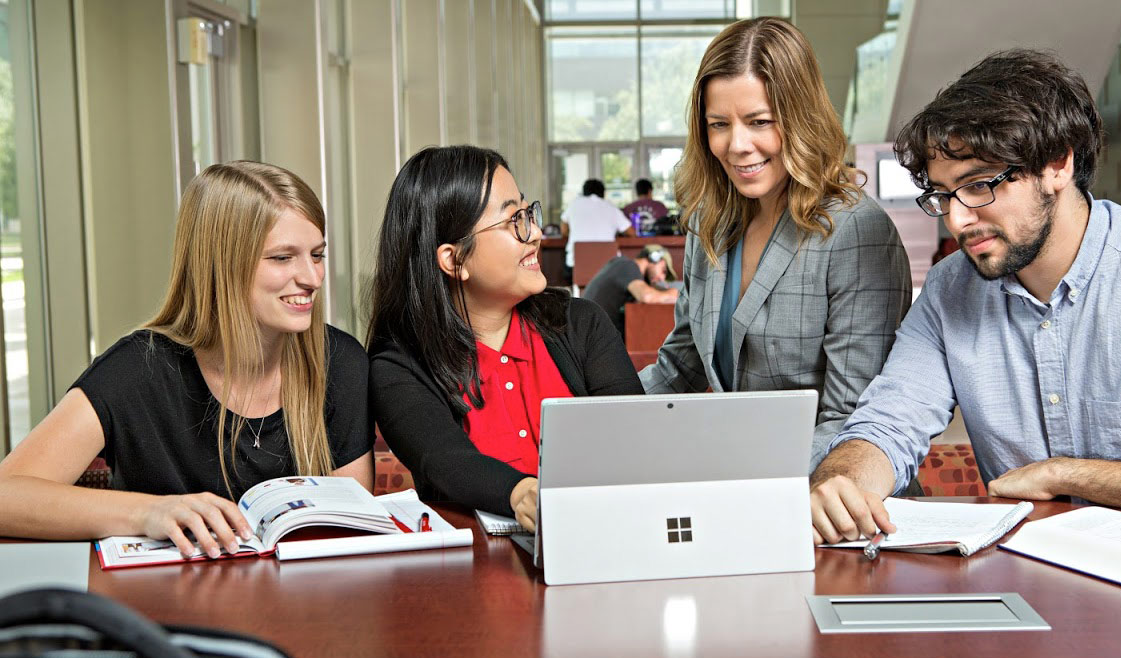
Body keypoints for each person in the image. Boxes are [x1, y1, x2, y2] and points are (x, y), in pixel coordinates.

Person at [811, 49, 1121, 544]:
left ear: (1058, 164)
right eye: (944, 195)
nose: (957, 219)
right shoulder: (951, 289)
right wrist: (842, 479)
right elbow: (888, 425)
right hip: (1031, 583)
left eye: (978, 186)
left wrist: (1065, 475)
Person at [0, 161, 374, 558]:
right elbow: (8, 494)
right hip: (168, 610)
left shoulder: (341, 361)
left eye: (316, 254)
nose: (313, 278)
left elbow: (352, 528)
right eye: (282, 258)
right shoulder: (137, 370)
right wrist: (149, 512)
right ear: (222, 264)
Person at [639, 17, 912, 471]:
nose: (737, 144)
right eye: (719, 124)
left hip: (827, 503)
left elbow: (853, 421)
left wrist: (733, 472)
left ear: (800, 119)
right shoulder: (709, 221)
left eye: (759, 121)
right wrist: (592, 418)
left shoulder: (857, 231)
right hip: (736, 489)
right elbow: (680, 366)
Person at [367, 146, 642, 532]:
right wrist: (518, 494)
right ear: (454, 259)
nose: (534, 234)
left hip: (601, 541)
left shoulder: (581, 324)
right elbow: (444, 459)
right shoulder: (399, 364)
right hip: (468, 572)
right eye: (513, 220)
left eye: (528, 214)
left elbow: (633, 436)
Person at [583, 244, 679, 337]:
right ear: (655, 258)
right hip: (594, 339)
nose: (662, 278)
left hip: (595, 336)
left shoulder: (625, 269)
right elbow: (647, 296)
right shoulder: (627, 266)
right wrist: (674, 293)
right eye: (664, 271)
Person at [559, 178, 634, 284]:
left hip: (576, 266)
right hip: (607, 266)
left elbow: (563, 231)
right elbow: (632, 233)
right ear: (603, 193)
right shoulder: (611, 207)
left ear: (584, 192)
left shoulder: (574, 205)